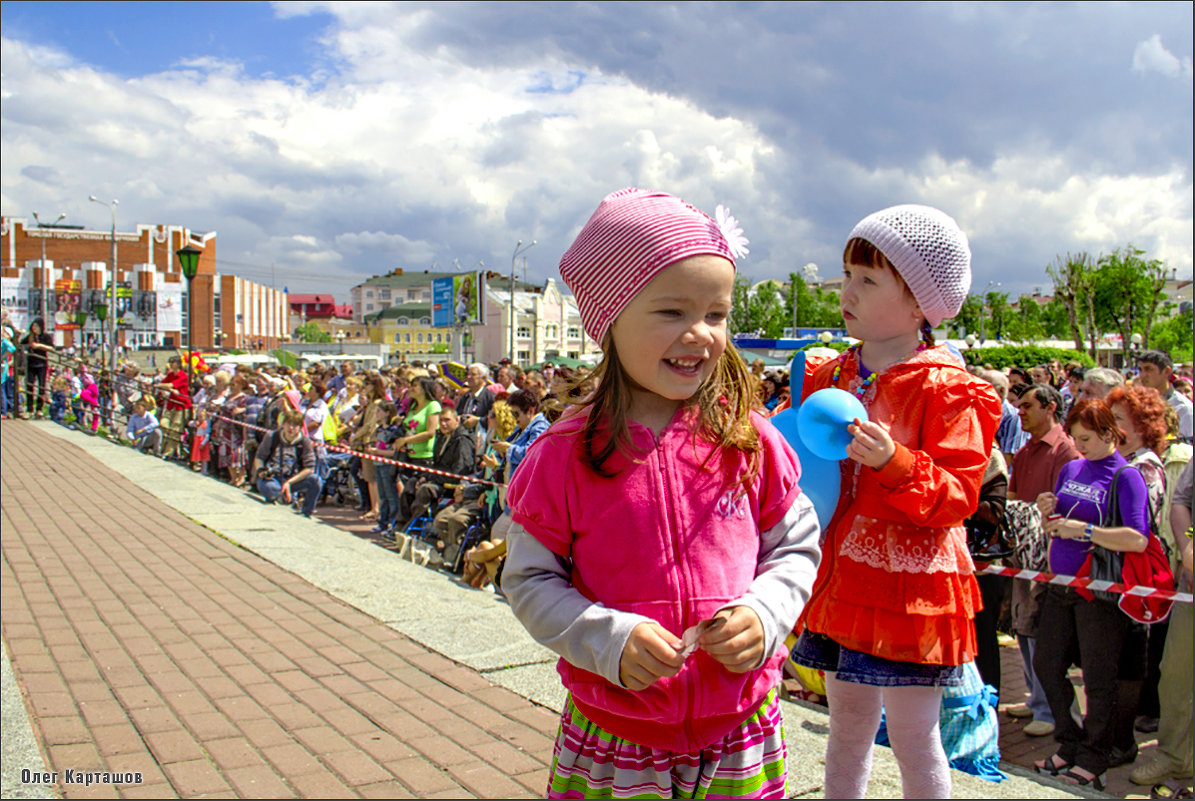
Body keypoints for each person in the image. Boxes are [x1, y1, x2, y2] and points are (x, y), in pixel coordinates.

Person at [503, 188, 821, 799]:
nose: (701, 334)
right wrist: (607, 639)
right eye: (672, 312)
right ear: (609, 319)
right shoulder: (566, 452)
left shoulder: (748, 437)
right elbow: (528, 579)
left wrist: (765, 613)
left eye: (717, 314)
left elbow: (796, 543)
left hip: (741, 728)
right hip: (618, 732)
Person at [786, 205, 999, 799]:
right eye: (847, 275)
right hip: (844, 575)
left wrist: (893, 462)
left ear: (919, 303)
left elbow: (958, 495)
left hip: (911, 589)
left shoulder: (948, 386)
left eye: (867, 280)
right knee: (847, 724)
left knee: (913, 733)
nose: (845, 292)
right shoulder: (830, 372)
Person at [1032, 399, 1155, 790]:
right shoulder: (1071, 468)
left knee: (1098, 680)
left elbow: (1137, 538)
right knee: (1047, 665)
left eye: (1086, 438)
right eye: (1075, 437)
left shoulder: (1127, 476)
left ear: (1108, 434)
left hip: (1099, 592)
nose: (1079, 446)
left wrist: (1083, 532)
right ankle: (1070, 743)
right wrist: (1047, 510)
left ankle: (1095, 754)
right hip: (1061, 585)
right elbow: (1058, 523)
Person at [1004, 383, 1080, 738]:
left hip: (1050, 557)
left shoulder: (1066, 450)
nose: (1021, 412)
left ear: (1050, 407)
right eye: (1018, 406)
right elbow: (1014, 496)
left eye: (1028, 406)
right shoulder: (1024, 451)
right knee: (1023, 626)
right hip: (1022, 554)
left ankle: (1050, 709)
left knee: (1043, 633)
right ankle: (1036, 697)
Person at [1130, 459, 1193, 790]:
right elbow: (1181, 501)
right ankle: (1175, 756)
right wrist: (1188, 547)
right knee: (1175, 674)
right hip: (1191, 589)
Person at [251, 409, 321, 518]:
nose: (291, 428)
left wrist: (289, 482)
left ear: (300, 427)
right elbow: (259, 457)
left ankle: (307, 512)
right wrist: (261, 471)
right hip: (273, 477)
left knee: (315, 480)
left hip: (293, 479)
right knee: (270, 488)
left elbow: (309, 468)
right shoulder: (272, 437)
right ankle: (278, 496)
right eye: (288, 424)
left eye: (295, 425)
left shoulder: (304, 441)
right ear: (283, 424)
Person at [1136, 349, 1193, 442]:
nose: (1142, 375)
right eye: (1140, 370)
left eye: (1148, 369)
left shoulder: (1183, 409)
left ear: (1166, 371)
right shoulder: (1137, 404)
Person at [156, 355, 191, 460]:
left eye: (173, 362)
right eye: (170, 362)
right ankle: (160, 447)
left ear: (178, 364)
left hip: (182, 405)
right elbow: (163, 383)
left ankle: (168, 453)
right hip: (172, 403)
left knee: (175, 429)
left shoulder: (183, 375)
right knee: (163, 424)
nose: (171, 364)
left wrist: (164, 387)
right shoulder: (171, 374)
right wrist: (164, 386)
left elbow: (170, 385)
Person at [22, 318, 55, 418]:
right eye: (33, 326)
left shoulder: (45, 337)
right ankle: (29, 409)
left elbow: (52, 348)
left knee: (41, 386)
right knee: (29, 385)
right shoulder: (30, 337)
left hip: (41, 364)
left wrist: (39, 346)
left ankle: (39, 409)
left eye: (36, 326)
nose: (34, 328)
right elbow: (21, 344)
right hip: (31, 363)